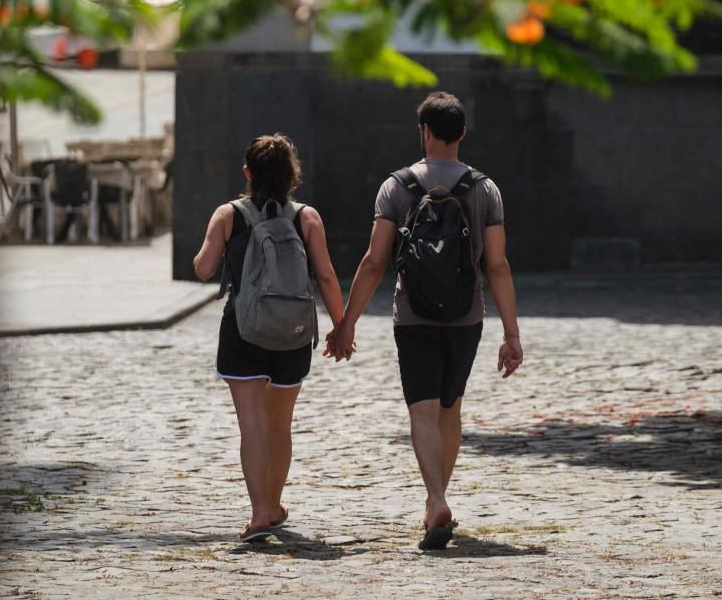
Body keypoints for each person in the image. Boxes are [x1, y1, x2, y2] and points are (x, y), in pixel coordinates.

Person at [329, 91, 523, 551]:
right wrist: (511, 333)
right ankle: (438, 497)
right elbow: (497, 265)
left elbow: (374, 262)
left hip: (412, 315)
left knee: (422, 408)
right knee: (450, 408)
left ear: (425, 131)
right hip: (466, 317)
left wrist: (346, 322)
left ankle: (435, 498)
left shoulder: (396, 187)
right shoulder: (484, 189)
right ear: (461, 134)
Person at [192, 133, 346, 542]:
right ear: (292, 176)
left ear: (247, 173)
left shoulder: (228, 214)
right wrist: (342, 326)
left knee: (252, 426)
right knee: (280, 426)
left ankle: (260, 511)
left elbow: (204, 269)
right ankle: (274, 506)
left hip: (243, 331)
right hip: (293, 334)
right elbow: (327, 275)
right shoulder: (307, 217)